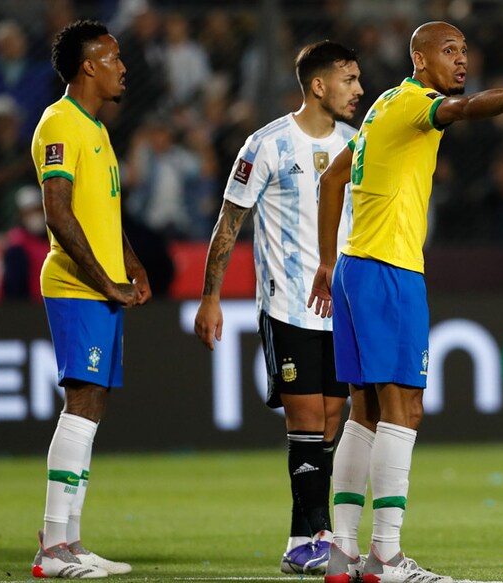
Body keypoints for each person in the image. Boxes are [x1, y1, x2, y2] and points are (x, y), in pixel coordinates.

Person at [308, 21, 503, 583]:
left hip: (356, 265)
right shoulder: (416, 103)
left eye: (465, 51)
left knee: (366, 411)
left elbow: (332, 180)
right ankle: (385, 555)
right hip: (389, 269)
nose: (461, 60)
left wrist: (329, 262)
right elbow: (468, 109)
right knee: (405, 409)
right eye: (448, 51)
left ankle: (343, 553)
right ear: (419, 59)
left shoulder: (380, 108)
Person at [192, 40, 363, 576]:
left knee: (334, 417)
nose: (359, 90)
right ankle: (317, 534)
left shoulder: (358, 143)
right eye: (349, 79)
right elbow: (229, 223)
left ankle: (301, 537)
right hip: (288, 304)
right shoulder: (265, 144)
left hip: (343, 308)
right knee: (307, 417)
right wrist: (211, 294)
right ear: (318, 85)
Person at [30, 19, 149, 579]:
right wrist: (105, 282)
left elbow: (101, 213)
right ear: (88, 67)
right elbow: (58, 213)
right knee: (80, 407)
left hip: (100, 286)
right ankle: (52, 548)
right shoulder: (60, 124)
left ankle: (71, 542)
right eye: (114, 57)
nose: (123, 66)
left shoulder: (96, 131)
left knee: (92, 409)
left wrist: (130, 262)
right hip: (77, 288)